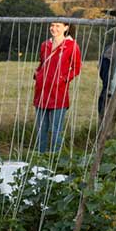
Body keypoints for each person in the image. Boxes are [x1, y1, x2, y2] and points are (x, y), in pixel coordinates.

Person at [32, 20, 82, 153]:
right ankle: (39, 158)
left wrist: (64, 78)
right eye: (52, 25)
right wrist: (38, 74)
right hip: (41, 92)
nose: (54, 28)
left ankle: (56, 160)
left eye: (58, 26)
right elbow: (42, 63)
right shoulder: (45, 45)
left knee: (56, 130)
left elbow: (76, 68)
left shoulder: (72, 46)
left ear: (66, 27)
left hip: (58, 93)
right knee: (41, 129)